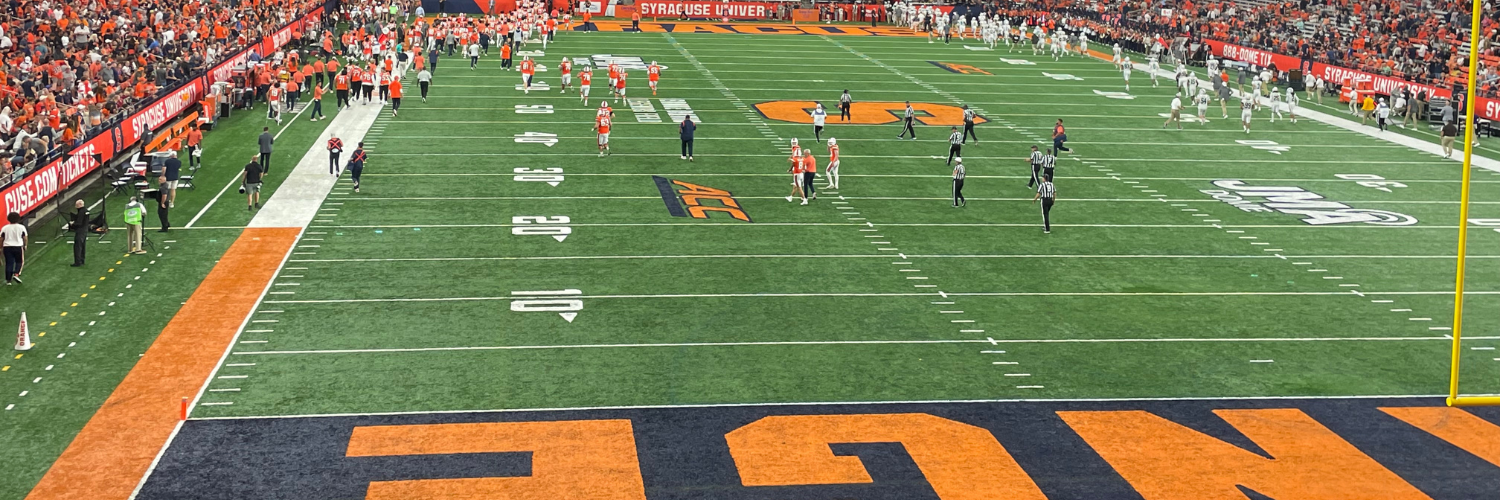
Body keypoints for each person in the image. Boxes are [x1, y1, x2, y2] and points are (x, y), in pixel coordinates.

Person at [2, 212, 26, 283]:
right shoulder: (21, 227)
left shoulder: (5, 228)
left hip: (7, 247)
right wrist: (25, 245)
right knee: (19, 261)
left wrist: (0, 247)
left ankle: (8, 280)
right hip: (18, 246)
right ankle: (16, 274)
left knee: (9, 263)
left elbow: (1, 238)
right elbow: (25, 237)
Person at [71, 200, 88, 266]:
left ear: (80, 204)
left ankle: (77, 262)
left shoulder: (81, 212)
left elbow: (79, 223)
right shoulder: (86, 210)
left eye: (76, 205)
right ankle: (82, 260)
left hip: (80, 231)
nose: (75, 207)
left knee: (78, 246)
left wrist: (73, 224)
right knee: (83, 246)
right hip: (85, 230)